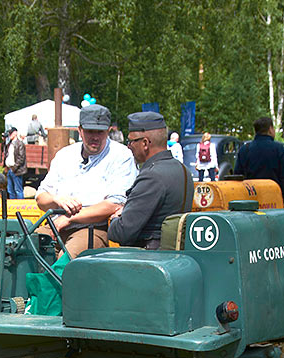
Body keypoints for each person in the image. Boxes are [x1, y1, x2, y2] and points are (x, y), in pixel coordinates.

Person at [35, 103, 138, 258]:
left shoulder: (121, 156)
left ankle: (53, 281)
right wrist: (57, 200)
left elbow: (114, 204)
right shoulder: (65, 155)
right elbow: (41, 198)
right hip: (55, 226)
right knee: (22, 250)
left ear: (108, 131)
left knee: (66, 260)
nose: (95, 137)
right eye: (90, 131)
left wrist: (69, 219)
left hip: (92, 228)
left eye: (100, 132)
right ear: (80, 131)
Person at [108, 111, 193, 248]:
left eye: (131, 141)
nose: (129, 146)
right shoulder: (183, 170)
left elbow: (121, 232)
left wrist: (115, 219)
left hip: (147, 258)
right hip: (173, 256)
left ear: (145, 143)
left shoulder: (151, 177)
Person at [233, 116, 284, 206]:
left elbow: (237, 175)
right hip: (273, 198)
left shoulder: (245, 149)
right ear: (270, 129)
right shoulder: (278, 149)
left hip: (250, 199)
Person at [4, 127, 26, 199]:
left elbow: (21, 158)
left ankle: (20, 206)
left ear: (15, 133)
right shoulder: (9, 144)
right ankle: (11, 206)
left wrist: (14, 168)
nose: (10, 135)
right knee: (10, 190)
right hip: (9, 169)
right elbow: (5, 154)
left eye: (11, 133)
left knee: (18, 190)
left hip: (16, 170)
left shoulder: (20, 144)